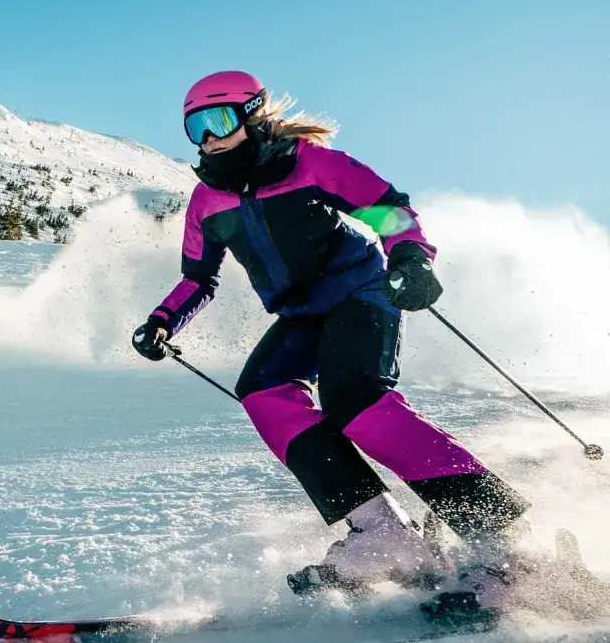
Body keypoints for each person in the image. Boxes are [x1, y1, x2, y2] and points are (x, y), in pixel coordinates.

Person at [132, 70, 536, 619]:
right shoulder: (207, 202)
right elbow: (199, 278)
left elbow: (388, 208)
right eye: (194, 127)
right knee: (263, 391)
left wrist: (411, 255)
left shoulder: (311, 164)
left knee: (355, 400)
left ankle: (507, 544)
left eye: (218, 120)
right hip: (299, 312)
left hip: (359, 291)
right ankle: (382, 535)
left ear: (254, 116)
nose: (207, 138)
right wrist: (162, 321)